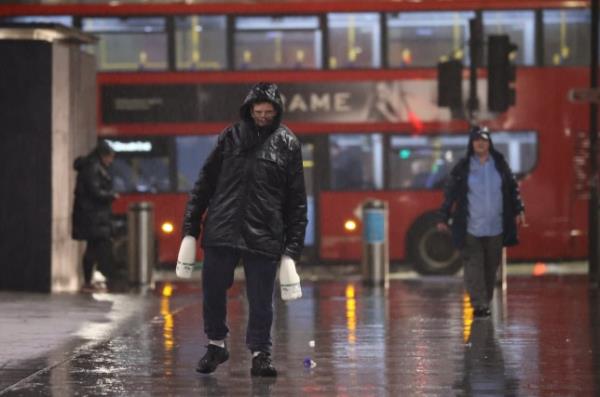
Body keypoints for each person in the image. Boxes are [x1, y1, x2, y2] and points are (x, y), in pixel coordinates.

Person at [182, 82, 308, 377]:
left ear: (277, 111)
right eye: (258, 111)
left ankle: (261, 354)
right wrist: (190, 229)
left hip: (264, 232)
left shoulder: (288, 144)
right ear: (250, 109)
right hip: (222, 228)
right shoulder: (231, 136)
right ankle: (216, 345)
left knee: (261, 298)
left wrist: (291, 252)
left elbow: (297, 202)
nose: (262, 116)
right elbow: (204, 184)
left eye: (268, 111)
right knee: (212, 290)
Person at [437, 126, 525, 317]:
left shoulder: (500, 164)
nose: (480, 143)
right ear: (471, 144)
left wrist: (519, 210)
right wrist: (443, 216)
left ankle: (485, 301)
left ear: (489, 143)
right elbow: (450, 193)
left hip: (496, 227)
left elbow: (512, 188)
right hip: (471, 227)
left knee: (491, 267)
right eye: (476, 140)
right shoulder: (463, 167)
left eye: (484, 140)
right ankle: (479, 304)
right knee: (474, 266)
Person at [72, 140, 119, 292]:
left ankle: (91, 280)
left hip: (93, 216)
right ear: (103, 155)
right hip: (92, 216)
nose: (111, 161)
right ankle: (95, 278)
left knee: (93, 247)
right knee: (97, 246)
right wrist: (111, 195)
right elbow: (95, 191)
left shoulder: (93, 166)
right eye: (110, 157)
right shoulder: (92, 168)